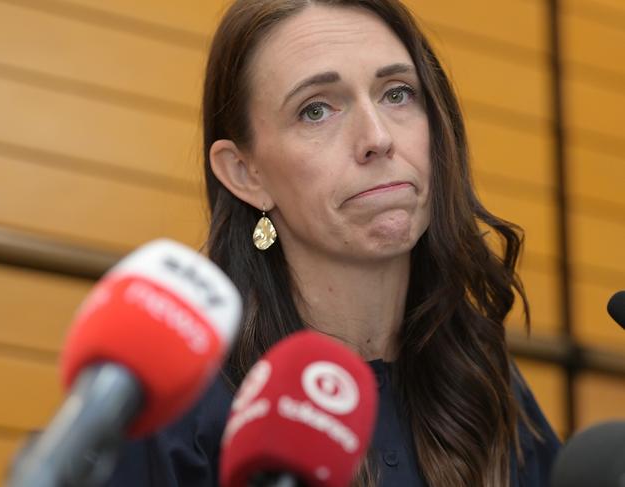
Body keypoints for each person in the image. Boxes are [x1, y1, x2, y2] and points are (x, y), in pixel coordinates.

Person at [108, 0, 560, 485]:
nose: (378, 137)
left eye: (398, 94)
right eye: (317, 110)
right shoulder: (177, 408)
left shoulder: (486, 384)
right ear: (245, 173)